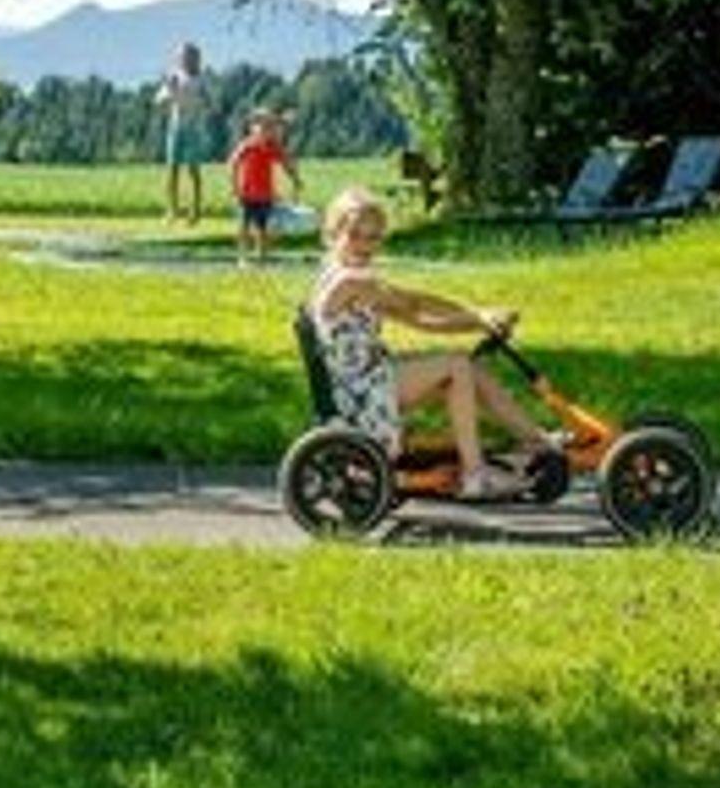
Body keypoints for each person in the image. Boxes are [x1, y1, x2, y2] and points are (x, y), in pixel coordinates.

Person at [308, 185, 550, 500]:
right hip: (363, 394)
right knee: (456, 366)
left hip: (369, 381)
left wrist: (475, 321)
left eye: (373, 237)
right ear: (333, 233)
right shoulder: (349, 281)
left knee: (468, 368)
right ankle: (476, 475)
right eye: (355, 235)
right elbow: (414, 303)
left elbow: (417, 320)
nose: (364, 245)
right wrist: (478, 315)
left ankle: (537, 441)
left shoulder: (348, 274)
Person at [228, 108, 302, 264]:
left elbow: (286, 163)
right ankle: (243, 257)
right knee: (243, 226)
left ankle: (261, 257)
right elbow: (233, 163)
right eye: (263, 127)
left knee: (262, 228)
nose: (266, 131)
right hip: (246, 193)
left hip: (264, 194)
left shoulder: (272, 147)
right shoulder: (247, 146)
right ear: (252, 128)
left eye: (269, 127)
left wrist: (295, 179)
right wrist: (234, 186)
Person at [155, 42, 206, 223]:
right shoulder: (174, 77)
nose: (185, 59)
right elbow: (159, 101)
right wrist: (169, 89)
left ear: (196, 58)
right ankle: (172, 210)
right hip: (175, 128)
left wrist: (185, 95)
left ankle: (195, 210)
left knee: (193, 170)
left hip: (193, 128)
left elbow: (205, 102)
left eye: (189, 56)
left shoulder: (201, 80)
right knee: (172, 169)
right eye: (182, 56)